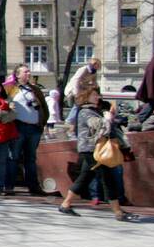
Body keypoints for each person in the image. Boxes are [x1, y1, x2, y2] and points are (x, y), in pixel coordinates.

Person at [57, 86, 138, 221]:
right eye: (94, 95)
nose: (97, 97)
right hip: (93, 150)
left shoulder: (94, 110)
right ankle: (118, 212)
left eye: (98, 95)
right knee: (108, 178)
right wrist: (108, 117)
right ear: (86, 96)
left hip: (91, 150)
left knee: (85, 178)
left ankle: (65, 204)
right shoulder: (86, 112)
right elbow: (99, 127)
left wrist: (111, 118)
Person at [9, 65, 48, 195]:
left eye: (29, 71)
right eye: (25, 72)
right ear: (17, 75)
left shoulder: (35, 89)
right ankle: (9, 186)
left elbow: (44, 107)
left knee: (31, 158)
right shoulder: (11, 89)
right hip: (18, 127)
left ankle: (33, 186)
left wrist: (42, 123)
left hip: (34, 128)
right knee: (14, 157)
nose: (28, 73)